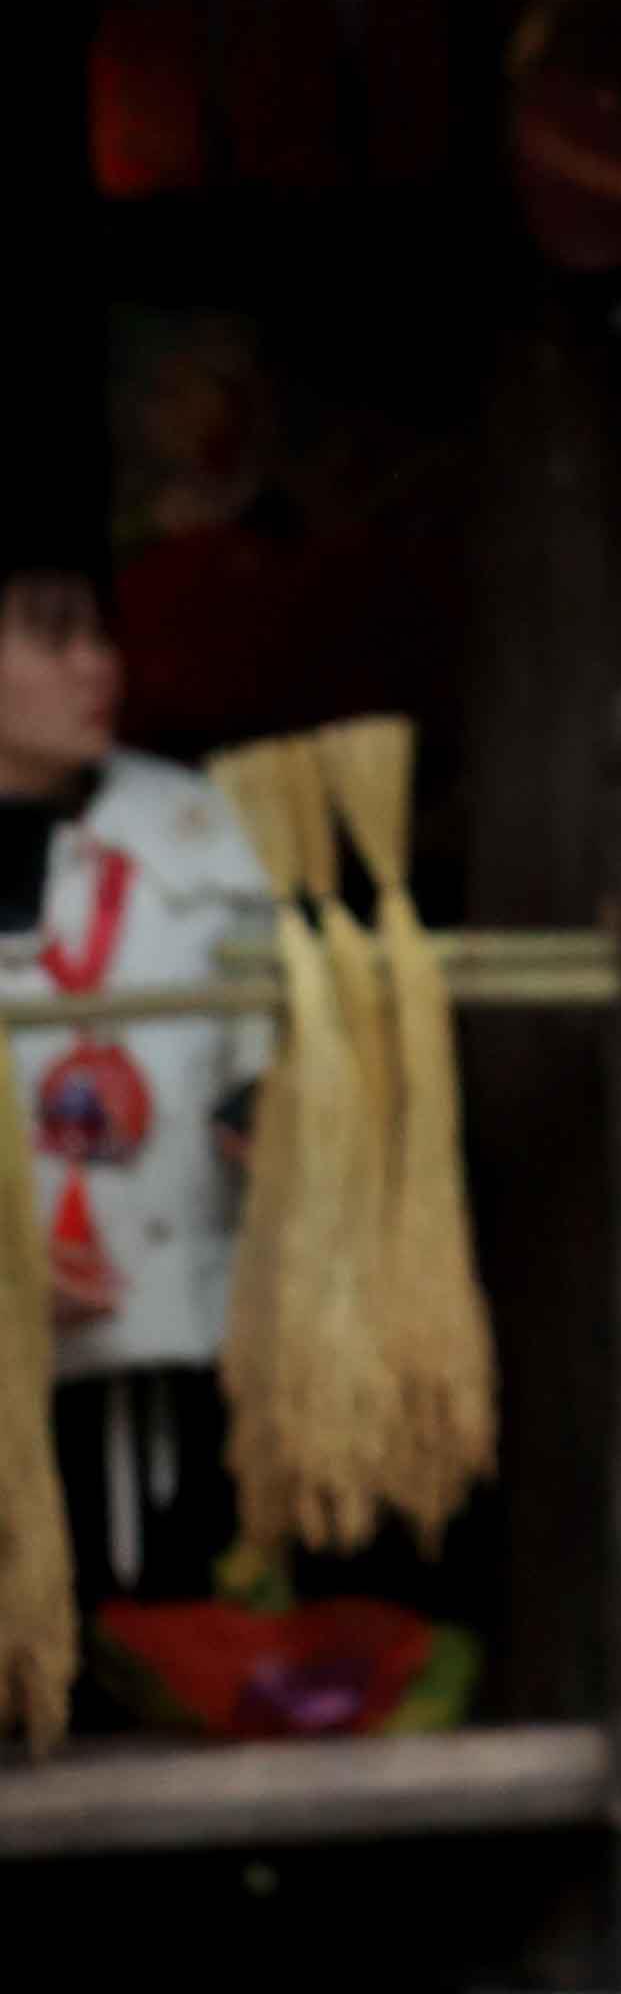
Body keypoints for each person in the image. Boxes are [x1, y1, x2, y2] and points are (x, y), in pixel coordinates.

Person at [2, 560, 258, 1627]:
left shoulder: (199, 824)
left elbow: (266, 1026)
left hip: (165, 1315)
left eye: (100, 637)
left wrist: (263, 1108)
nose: (95, 666)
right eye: (53, 637)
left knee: (167, 1619)